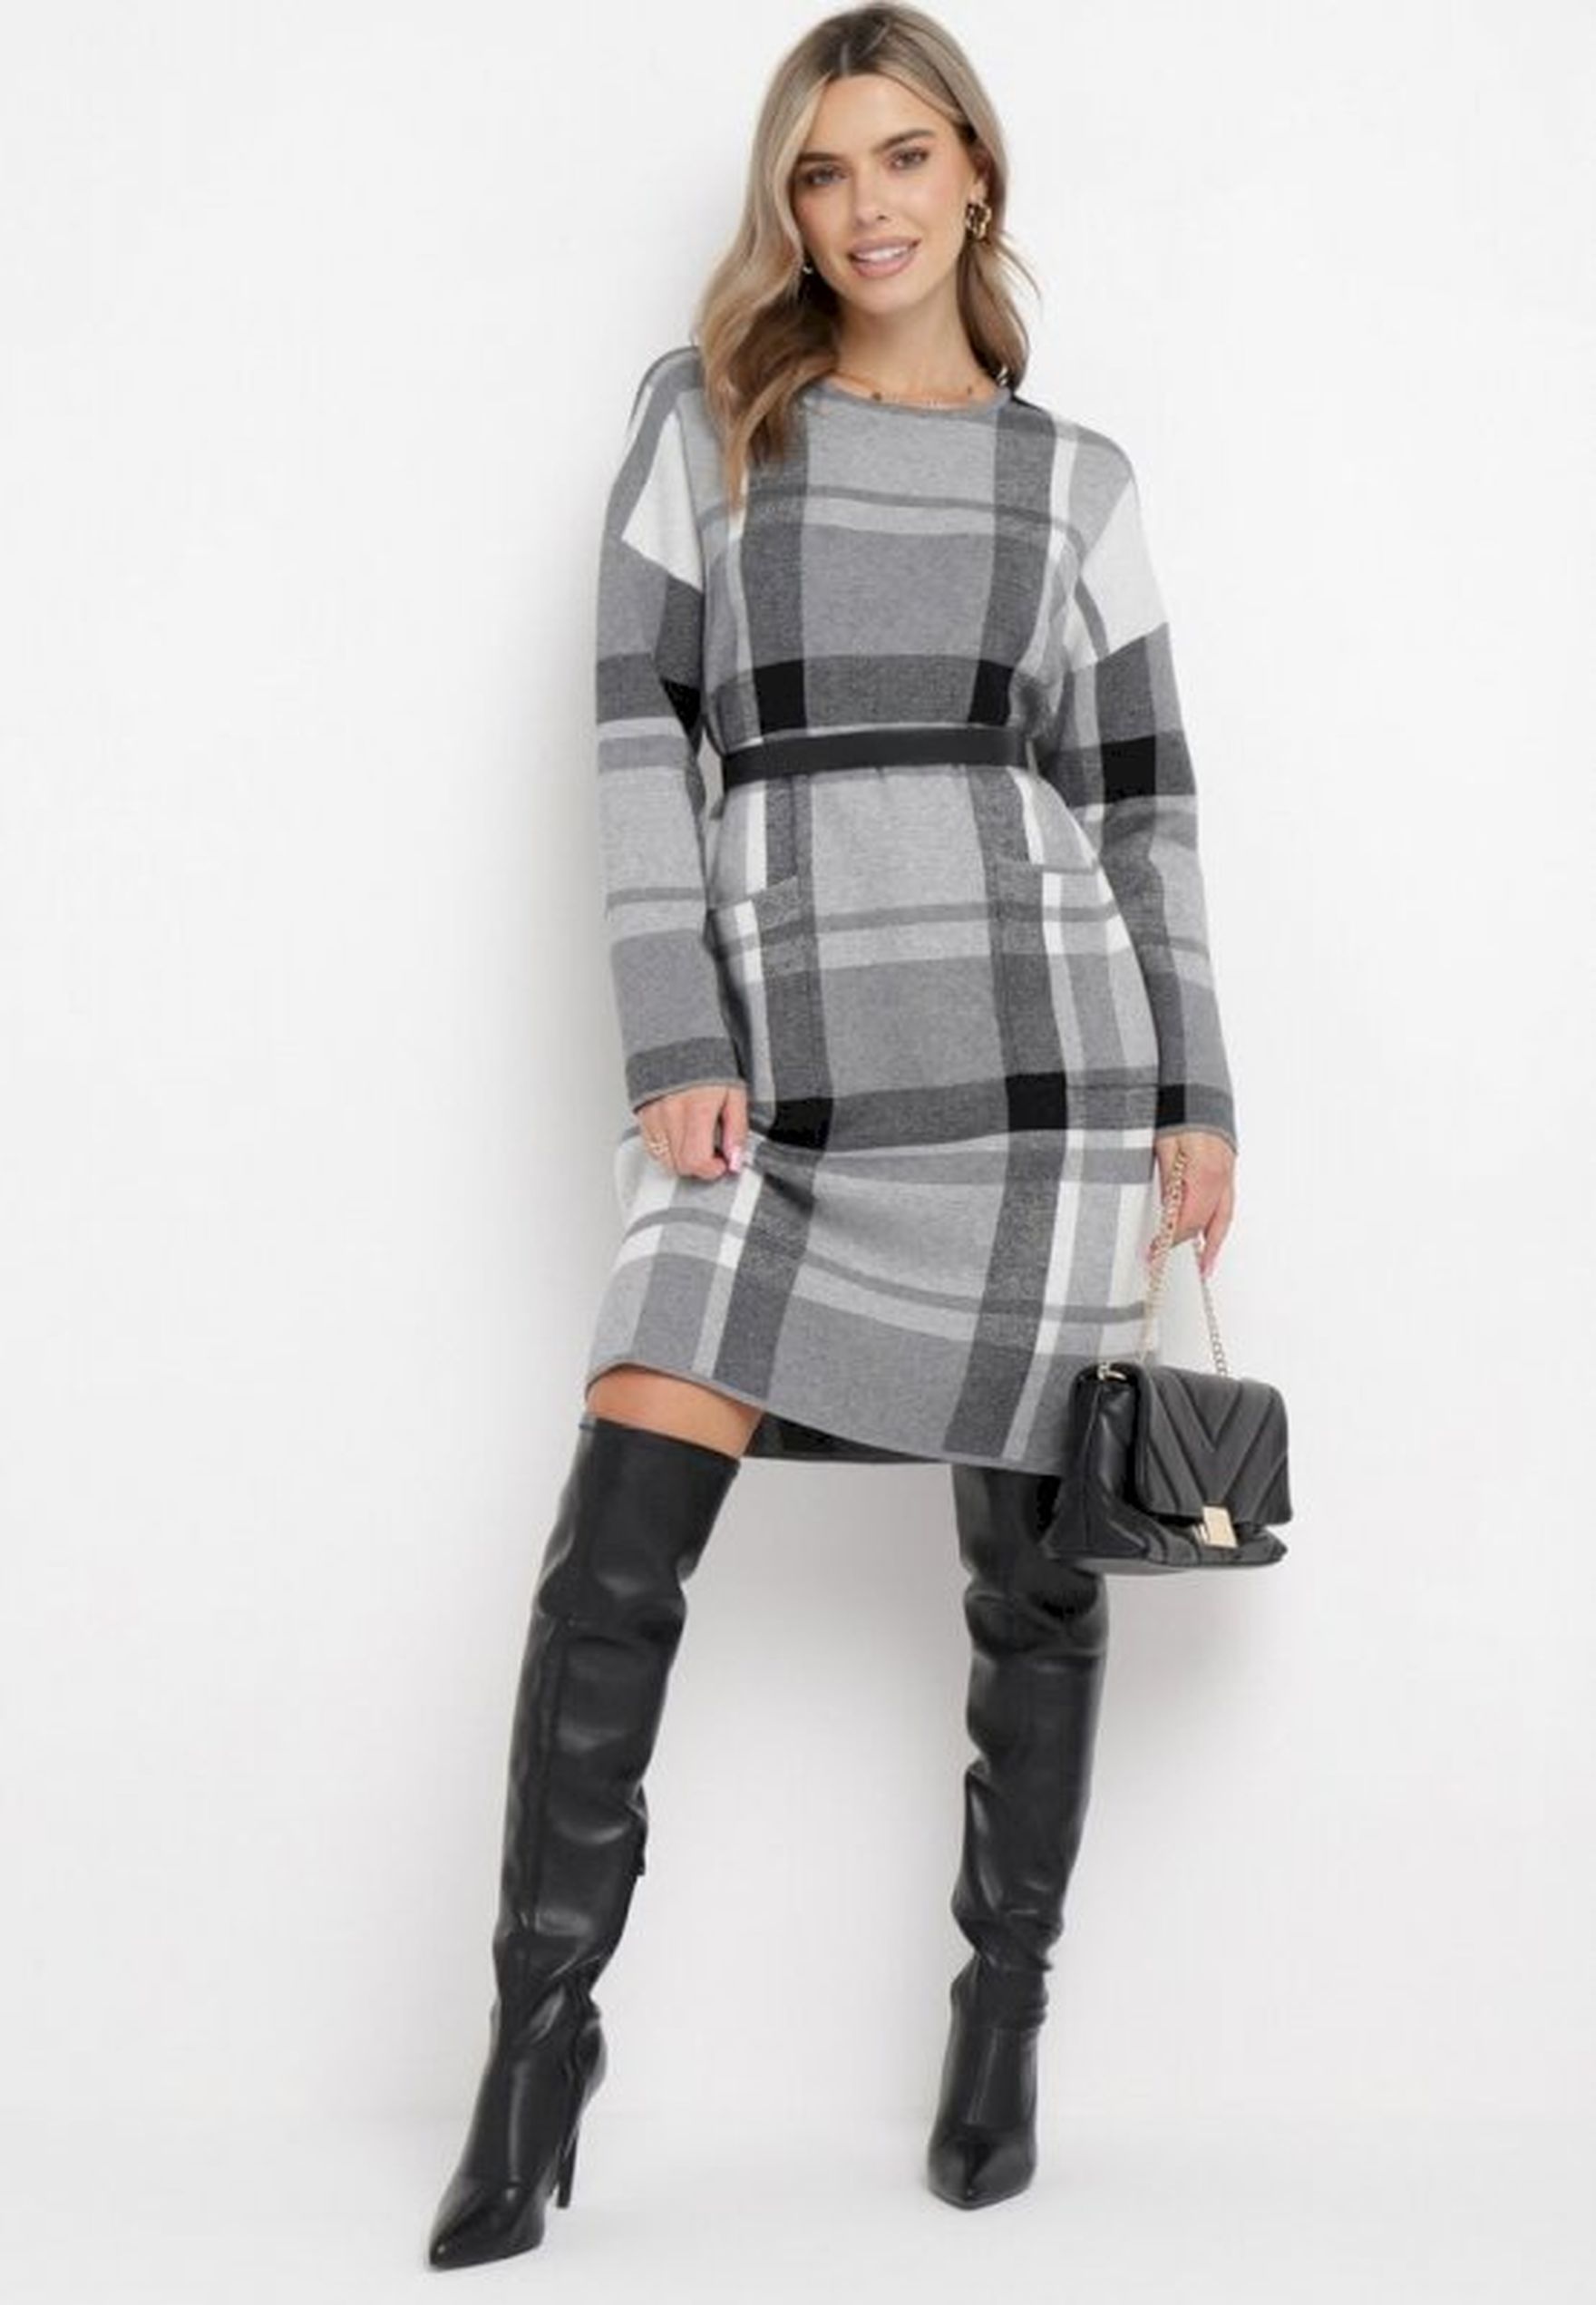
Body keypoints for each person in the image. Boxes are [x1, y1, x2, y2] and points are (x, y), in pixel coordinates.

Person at [426, 2, 1241, 2268]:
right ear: (783, 207)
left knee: (1032, 1572)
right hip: (770, 1083)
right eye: (817, 169)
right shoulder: (710, 419)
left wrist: (1194, 1090)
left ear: (974, 171)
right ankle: (533, 2048)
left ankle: (1002, 2018)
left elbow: (1142, 805)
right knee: (617, 1537)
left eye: (899, 156)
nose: (861, 206)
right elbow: (632, 736)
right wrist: (665, 1034)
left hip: (1039, 1069)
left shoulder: (1073, 482)